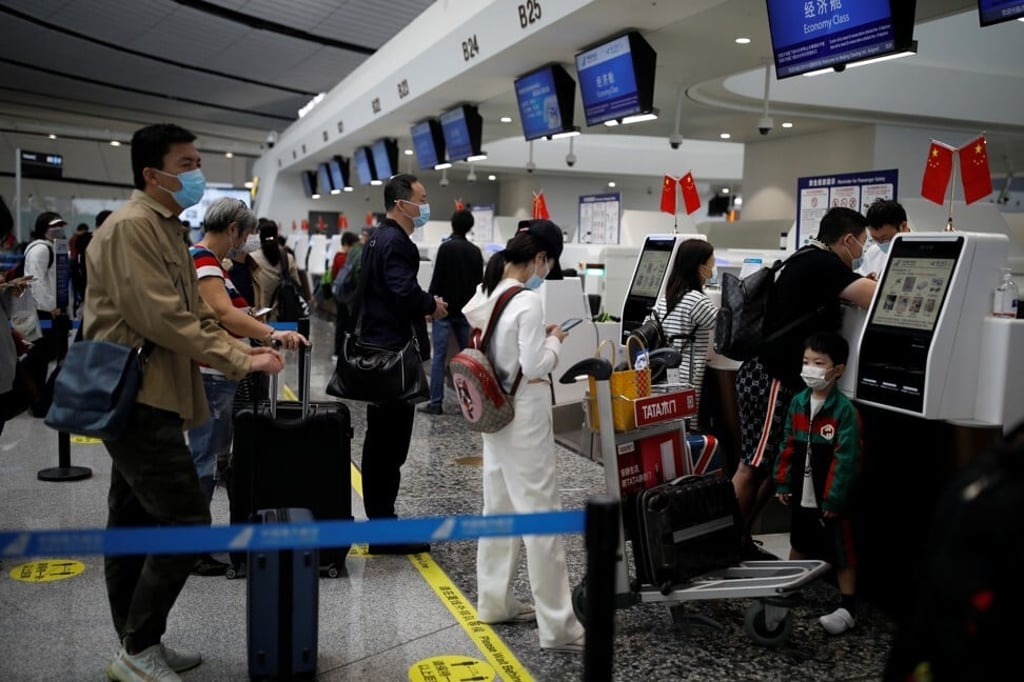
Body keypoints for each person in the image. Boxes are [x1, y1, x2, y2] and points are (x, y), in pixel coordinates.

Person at [85, 122, 284, 682]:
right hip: (134, 393)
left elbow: (195, 314)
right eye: (186, 163)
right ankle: (139, 646)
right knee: (186, 519)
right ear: (152, 173)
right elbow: (163, 319)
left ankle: (137, 643)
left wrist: (247, 348)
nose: (196, 173)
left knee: (130, 519)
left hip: (156, 392)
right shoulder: (130, 229)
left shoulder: (167, 227)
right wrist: (242, 359)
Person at [462, 219, 586, 654]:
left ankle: (493, 601)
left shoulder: (488, 290)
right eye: (548, 264)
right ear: (539, 258)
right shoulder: (528, 301)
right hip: (526, 414)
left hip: (495, 413)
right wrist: (556, 341)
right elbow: (535, 365)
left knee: (497, 510)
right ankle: (559, 628)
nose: (546, 272)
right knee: (541, 519)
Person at [733, 206, 876, 559]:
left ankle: (740, 539)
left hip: (768, 374)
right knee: (751, 466)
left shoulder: (806, 258)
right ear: (847, 240)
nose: (861, 250)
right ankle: (722, 545)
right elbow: (875, 297)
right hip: (772, 378)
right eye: (862, 243)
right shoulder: (824, 264)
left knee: (764, 463)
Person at [186, 197, 307, 576]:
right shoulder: (203, 259)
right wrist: (270, 333)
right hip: (210, 375)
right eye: (247, 233)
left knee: (210, 458)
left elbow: (231, 316)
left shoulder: (213, 263)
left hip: (219, 372)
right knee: (204, 462)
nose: (249, 241)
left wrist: (254, 341)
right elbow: (224, 315)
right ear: (233, 229)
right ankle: (190, 548)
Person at [358, 173, 447, 555]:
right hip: (393, 355)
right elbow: (402, 290)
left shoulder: (378, 237)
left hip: (379, 348)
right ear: (401, 203)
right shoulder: (397, 242)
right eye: (421, 198)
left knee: (380, 443)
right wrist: (431, 306)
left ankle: (381, 522)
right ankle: (383, 530)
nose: (425, 206)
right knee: (389, 447)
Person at [774, 331, 862, 635]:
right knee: (799, 540)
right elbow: (786, 443)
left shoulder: (844, 411)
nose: (810, 368)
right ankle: (786, 589)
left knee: (841, 550)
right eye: (806, 361)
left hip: (830, 498)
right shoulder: (798, 402)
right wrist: (783, 481)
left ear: (838, 370)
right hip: (802, 492)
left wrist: (834, 499)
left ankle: (848, 607)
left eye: (818, 362)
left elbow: (846, 458)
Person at [420, 208, 484, 415]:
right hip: (466, 313)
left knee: (439, 357)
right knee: (469, 359)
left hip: (444, 312)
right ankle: (471, 404)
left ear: (452, 224)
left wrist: (429, 306)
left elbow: (437, 279)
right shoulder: (475, 252)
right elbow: (479, 285)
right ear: (470, 227)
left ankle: (436, 403)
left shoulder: (445, 249)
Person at [650, 238, 717, 428]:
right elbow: (725, 328)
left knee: (670, 429)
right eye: (710, 264)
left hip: (664, 376)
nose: (712, 269)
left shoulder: (666, 298)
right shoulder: (697, 300)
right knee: (687, 430)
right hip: (687, 379)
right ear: (698, 267)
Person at [23, 211, 66, 414]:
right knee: (42, 353)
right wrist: (50, 307)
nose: (58, 230)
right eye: (53, 227)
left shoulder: (52, 248)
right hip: (42, 312)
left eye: (60, 226)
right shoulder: (40, 249)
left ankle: (37, 399)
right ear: (44, 229)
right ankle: (31, 393)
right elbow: (35, 280)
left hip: (48, 311)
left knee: (44, 356)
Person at [249, 218, 306, 322]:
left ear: (259, 236)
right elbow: (297, 285)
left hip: (260, 319)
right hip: (286, 317)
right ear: (276, 235)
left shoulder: (252, 258)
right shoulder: (288, 258)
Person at [858, 199, 910, 279]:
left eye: (885, 238)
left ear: (903, 226)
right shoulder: (872, 252)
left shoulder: (924, 248)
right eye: (875, 238)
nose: (881, 243)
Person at [331, 231, 359, 358]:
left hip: (338, 293)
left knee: (341, 322)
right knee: (343, 323)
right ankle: (339, 352)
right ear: (348, 244)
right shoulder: (343, 258)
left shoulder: (338, 256)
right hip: (344, 295)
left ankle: (339, 351)